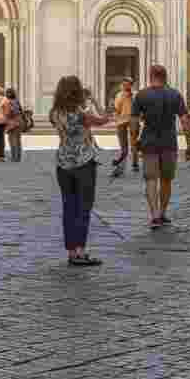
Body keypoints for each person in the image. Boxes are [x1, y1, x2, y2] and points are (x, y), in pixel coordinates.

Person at [50, 75, 114, 266]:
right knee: (83, 208)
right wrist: (93, 100)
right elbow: (104, 119)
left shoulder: (54, 113)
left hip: (63, 163)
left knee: (68, 207)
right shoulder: (81, 114)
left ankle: (70, 251)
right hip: (83, 163)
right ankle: (80, 251)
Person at [131, 64, 190, 229]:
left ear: (151, 76)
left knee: (151, 179)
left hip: (149, 142)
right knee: (166, 180)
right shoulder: (175, 95)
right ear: (165, 77)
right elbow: (185, 121)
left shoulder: (141, 95)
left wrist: (133, 143)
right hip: (169, 143)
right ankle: (163, 212)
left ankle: (154, 215)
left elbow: (134, 122)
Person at [112, 78, 138, 174]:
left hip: (133, 121)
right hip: (121, 121)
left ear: (131, 85)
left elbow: (139, 107)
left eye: (127, 85)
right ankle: (121, 167)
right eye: (124, 85)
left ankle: (135, 164)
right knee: (123, 146)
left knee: (134, 143)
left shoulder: (135, 95)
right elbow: (117, 109)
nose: (125, 87)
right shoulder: (119, 95)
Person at [5, 87, 25, 162]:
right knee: (17, 140)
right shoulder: (17, 101)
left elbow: (10, 113)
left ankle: (14, 157)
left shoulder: (8, 102)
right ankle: (18, 157)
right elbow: (21, 111)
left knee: (11, 140)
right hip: (19, 122)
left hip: (12, 123)